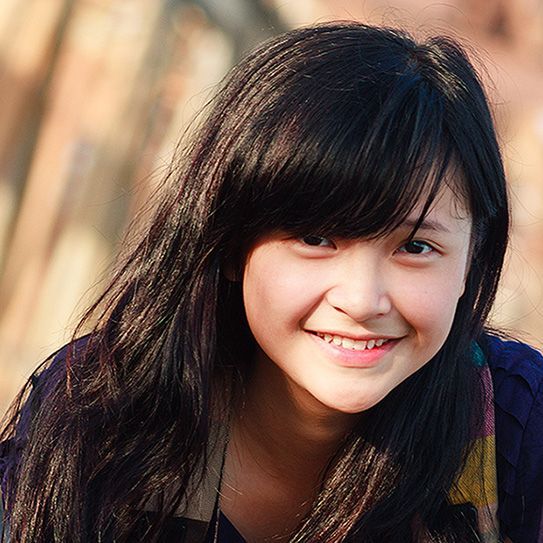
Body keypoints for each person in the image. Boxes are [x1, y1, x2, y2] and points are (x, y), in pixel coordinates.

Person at [0, 21, 542, 543]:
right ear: (231, 242)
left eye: (415, 247)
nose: (360, 300)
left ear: (472, 258)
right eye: (314, 237)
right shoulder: (106, 412)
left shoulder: (515, 427)